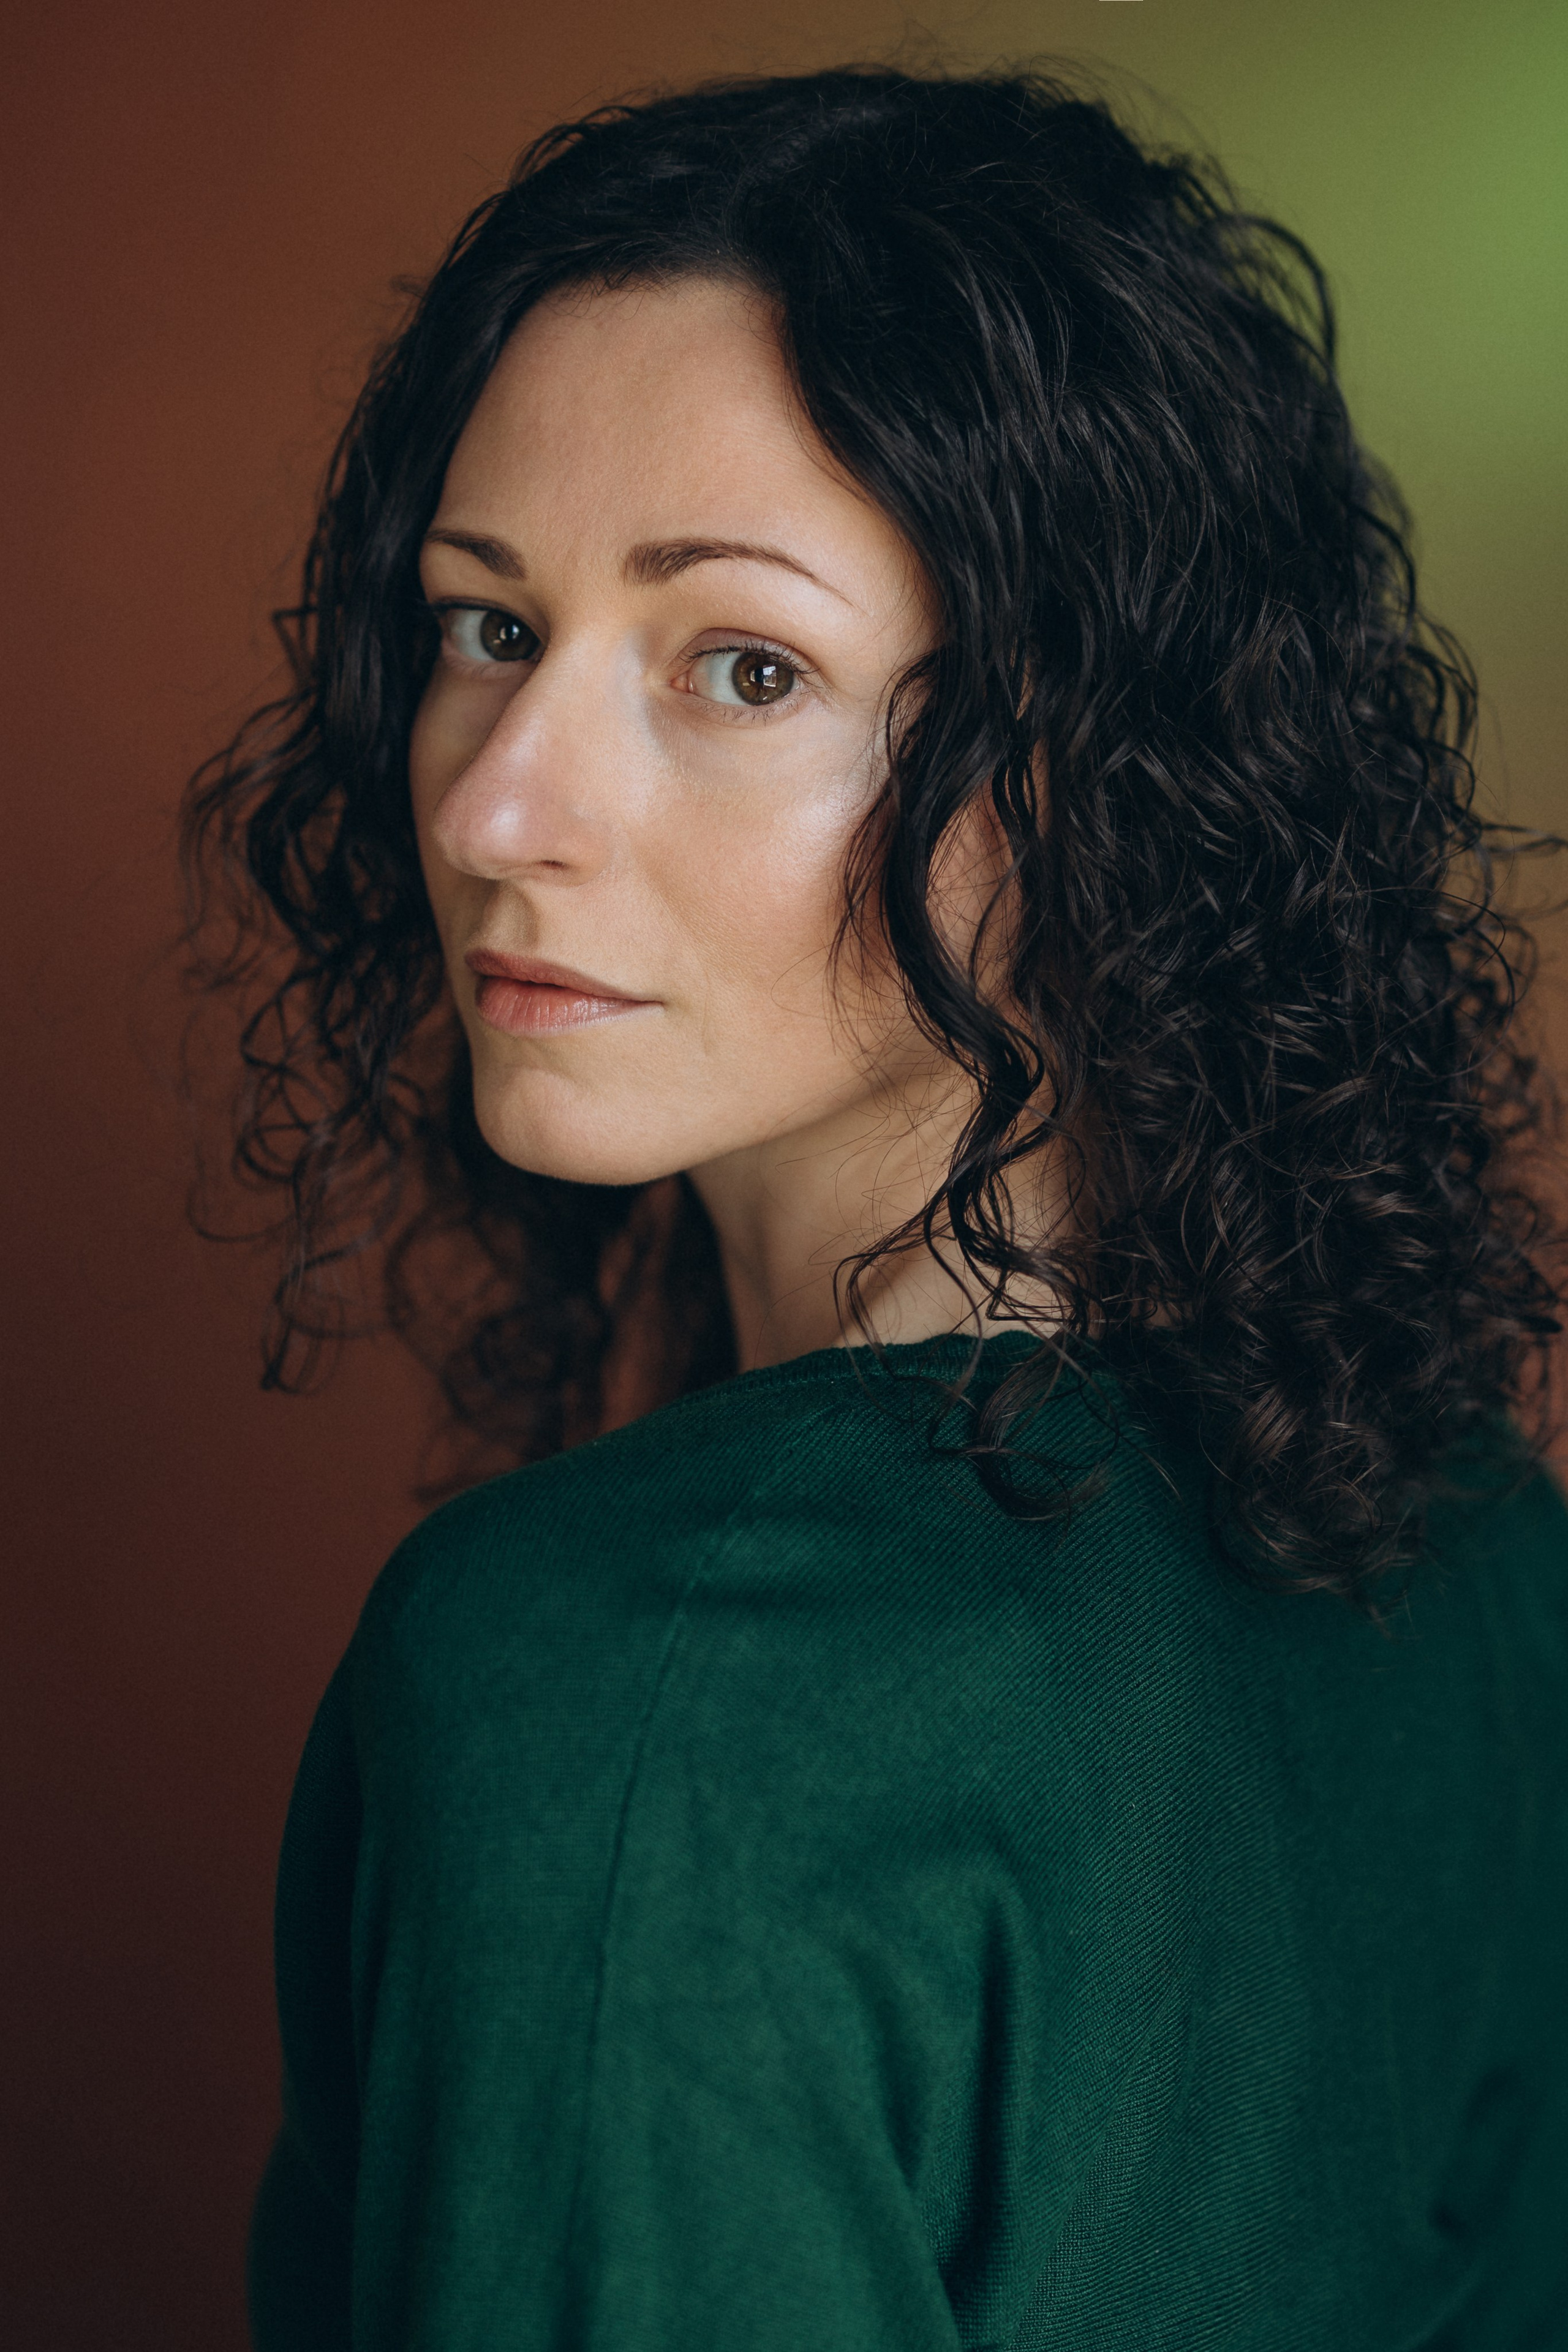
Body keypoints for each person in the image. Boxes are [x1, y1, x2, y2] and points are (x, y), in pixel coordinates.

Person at [184, 64, 1568, 2350]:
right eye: (486, 625)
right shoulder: (1487, 1544)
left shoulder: (639, 1682)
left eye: (742, 666)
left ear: (1096, 770)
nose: (502, 803)